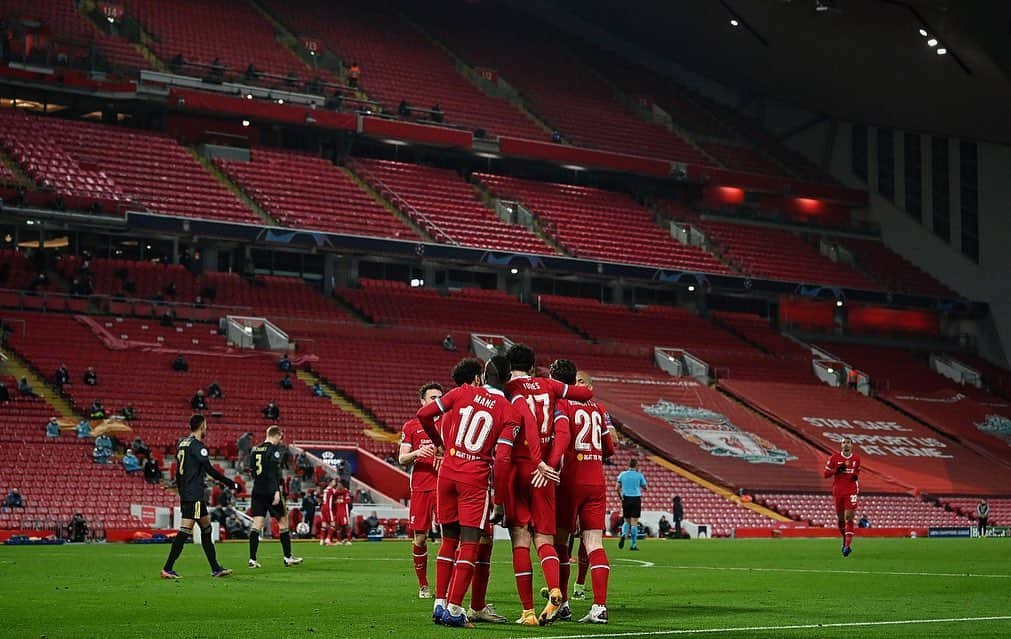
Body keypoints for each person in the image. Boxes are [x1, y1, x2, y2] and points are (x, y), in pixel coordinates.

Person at [416, 356, 530, 628]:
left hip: (447, 473)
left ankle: (440, 604)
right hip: (474, 477)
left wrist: (439, 443)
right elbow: (502, 460)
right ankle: (455, 610)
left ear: (481, 377)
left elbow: (423, 414)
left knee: (448, 540)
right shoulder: (508, 410)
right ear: (507, 380)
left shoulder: (461, 393)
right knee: (470, 543)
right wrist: (500, 502)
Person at [503, 343, 591, 625]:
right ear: (532, 366)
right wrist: (549, 466)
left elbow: (519, 420)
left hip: (519, 466)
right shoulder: (548, 386)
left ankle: (527, 611)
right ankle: (555, 590)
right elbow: (585, 393)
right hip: (546, 474)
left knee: (520, 537)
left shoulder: (507, 390)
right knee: (544, 538)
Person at [550, 363, 613, 624]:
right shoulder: (598, 409)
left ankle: (563, 603)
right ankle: (599, 607)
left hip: (570, 481)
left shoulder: (562, 406)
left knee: (561, 544)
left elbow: (560, 439)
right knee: (594, 544)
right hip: (596, 480)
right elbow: (610, 448)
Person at [160, 414, 240, 579]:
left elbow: (179, 472)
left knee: (206, 528)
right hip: (194, 494)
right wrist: (231, 483)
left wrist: (182, 492)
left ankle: (216, 568)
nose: (207, 428)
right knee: (185, 531)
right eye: (206, 425)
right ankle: (167, 568)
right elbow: (210, 470)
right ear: (202, 426)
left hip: (189, 493)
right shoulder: (197, 446)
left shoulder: (182, 443)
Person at [399, 381, 444, 599]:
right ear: (423, 402)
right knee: (420, 538)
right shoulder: (411, 426)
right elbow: (402, 458)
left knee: (451, 537)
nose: (437, 401)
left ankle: (448, 586)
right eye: (432, 398)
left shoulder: (449, 423)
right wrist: (419, 452)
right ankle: (424, 585)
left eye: (439, 397)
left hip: (445, 486)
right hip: (421, 488)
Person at [247, 425, 303, 569]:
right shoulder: (273, 450)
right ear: (276, 435)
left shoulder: (255, 450)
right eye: (280, 437)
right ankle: (288, 557)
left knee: (257, 524)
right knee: (283, 522)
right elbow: (273, 472)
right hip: (270, 491)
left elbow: (252, 470)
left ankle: (252, 559)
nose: (280, 440)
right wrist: (276, 491)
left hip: (257, 490)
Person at [823, 436, 860, 557]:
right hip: (838, 491)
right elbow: (826, 474)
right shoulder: (834, 458)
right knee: (840, 519)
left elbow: (856, 471)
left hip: (851, 490)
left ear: (851, 445)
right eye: (844, 442)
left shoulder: (856, 458)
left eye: (848, 443)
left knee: (849, 517)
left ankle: (847, 546)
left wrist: (855, 475)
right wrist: (836, 470)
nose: (846, 444)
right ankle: (845, 540)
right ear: (841, 445)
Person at [617, 458, 647, 551]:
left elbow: (617, 488)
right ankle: (633, 545)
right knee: (634, 522)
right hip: (636, 498)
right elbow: (645, 487)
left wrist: (620, 497)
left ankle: (623, 535)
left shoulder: (623, 474)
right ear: (636, 465)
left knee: (626, 521)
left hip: (626, 498)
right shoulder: (639, 475)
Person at [319, 477, 338, 546]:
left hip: (323, 507)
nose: (335, 483)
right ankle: (328, 539)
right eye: (333, 481)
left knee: (324, 524)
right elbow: (339, 494)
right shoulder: (332, 490)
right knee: (333, 524)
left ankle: (321, 540)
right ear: (330, 482)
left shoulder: (325, 490)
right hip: (328, 508)